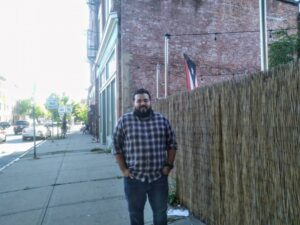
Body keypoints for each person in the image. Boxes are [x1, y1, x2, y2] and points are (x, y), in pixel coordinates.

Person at [113, 88, 177, 225]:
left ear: (150, 102)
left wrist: (168, 166)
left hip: (158, 179)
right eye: (139, 101)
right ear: (134, 103)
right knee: (136, 216)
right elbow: (116, 147)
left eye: (145, 100)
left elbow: (172, 144)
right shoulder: (124, 121)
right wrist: (124, 170)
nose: (143, 103)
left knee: (160, 215)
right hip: (134, 179)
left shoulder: (162, 120)